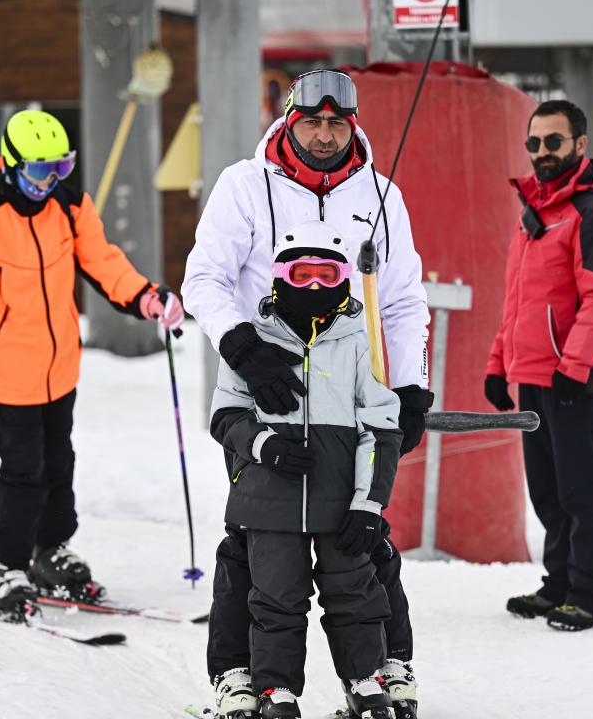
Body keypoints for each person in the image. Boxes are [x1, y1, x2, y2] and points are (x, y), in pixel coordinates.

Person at [183, 69, 429, 719]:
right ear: (290, 121)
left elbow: (403, 299)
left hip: (355, 393)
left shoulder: (380, 194)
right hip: (265, 395)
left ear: (353, 125)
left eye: (336, 123)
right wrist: (242, 347)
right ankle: (243, 678)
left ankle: (382, 671)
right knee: (255, 539)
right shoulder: (245, 186)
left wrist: (410, 387)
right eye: (312, 122)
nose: (324, 135)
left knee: (364, 536)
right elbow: (203, 277)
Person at [0, 109, 184, 617]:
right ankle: (4, 564)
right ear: (11, 166)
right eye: (39, 171)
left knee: (59, 464)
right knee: (23, 472)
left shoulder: (70, 206)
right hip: (3, 370)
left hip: (59, 369)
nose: (49, 181)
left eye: (60, 167)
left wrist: (147, 297)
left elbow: (104, 263)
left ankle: (49, 549)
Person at [210, 220, 402, 719]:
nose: (314, 286)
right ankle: (276, 691)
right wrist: (263, 443)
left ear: (344, 280)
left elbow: (380, 429)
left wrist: (368, 503)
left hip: (339, 501)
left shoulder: (359, 343)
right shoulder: (251, 346)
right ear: (278, 280)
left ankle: (366, 681)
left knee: (354, 591)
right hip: (268, 498)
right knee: (275, 598)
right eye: (301, 275)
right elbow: (225, 415)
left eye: (326, 274)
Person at [484, 99, 593, 632]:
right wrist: (500, 365)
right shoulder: (536, 213)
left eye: (553, 142)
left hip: (575, 379)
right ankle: (561, 584)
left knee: (582, 490)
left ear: (579, 145)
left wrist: (574, 366)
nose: (542, 153)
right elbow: (518, 300)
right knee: (547, 491)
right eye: (535, 144)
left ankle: (590, 596)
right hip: (533, 374)